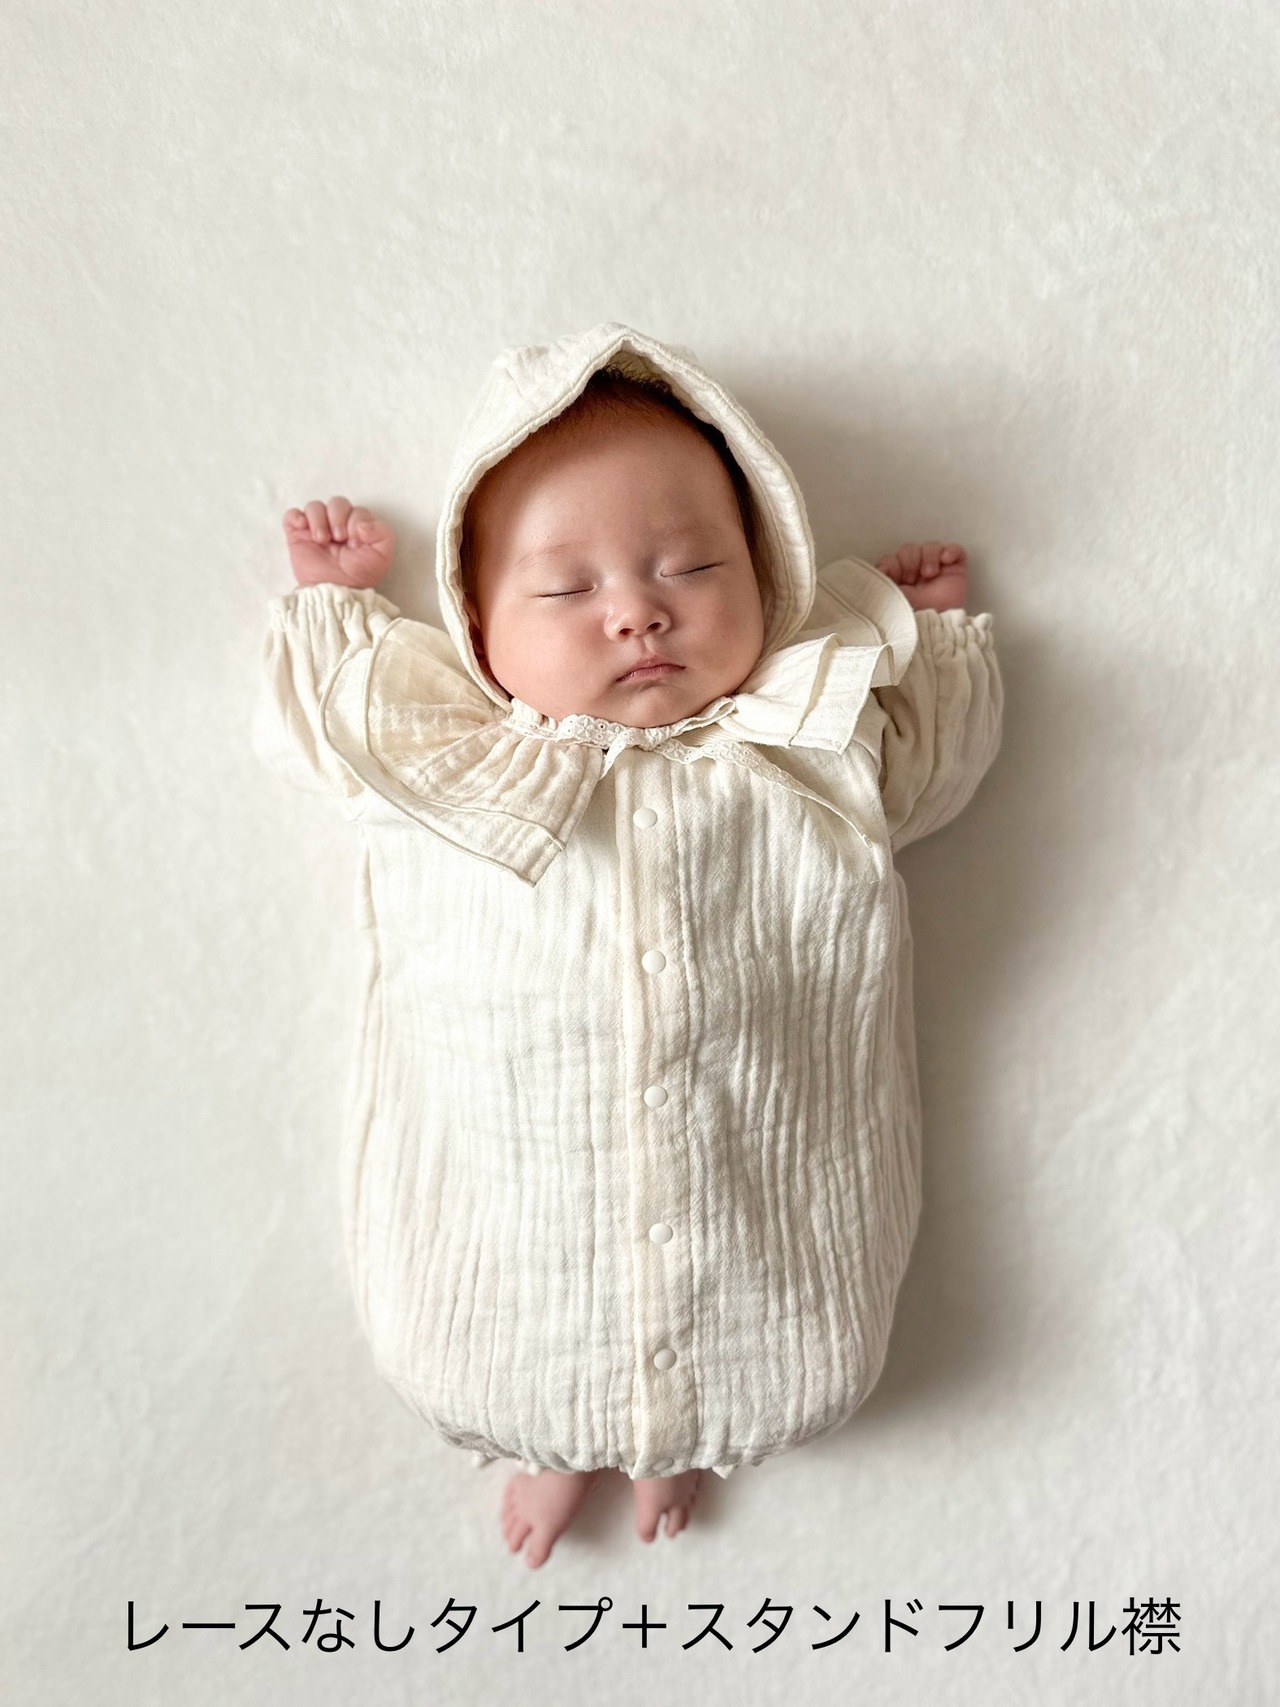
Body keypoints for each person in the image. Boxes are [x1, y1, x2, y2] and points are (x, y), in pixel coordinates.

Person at [251, 323, 1004, 1568]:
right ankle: (550, 1439)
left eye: (693, 567)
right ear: (475, 626)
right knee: (524, 1291)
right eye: (566, 590)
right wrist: (336, 603)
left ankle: (681, 1432)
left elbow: (929, 775)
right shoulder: (453, 762)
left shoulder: (801, 747)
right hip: (512, 1167)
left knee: (742, 1288)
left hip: (758, 1161)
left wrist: (923, 643)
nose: (639, 612)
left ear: (767, 573)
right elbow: (328, 733)